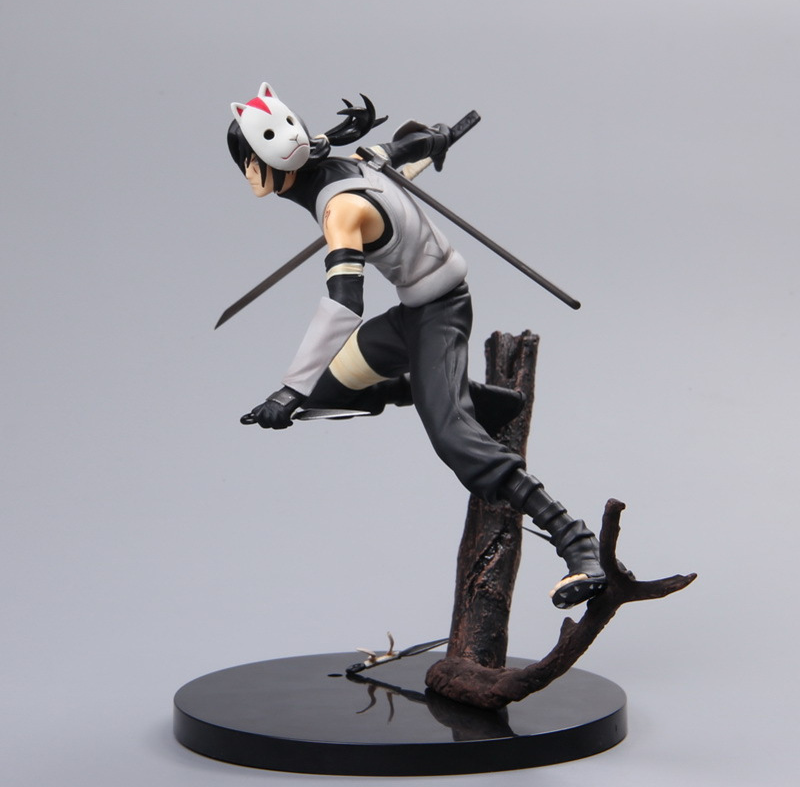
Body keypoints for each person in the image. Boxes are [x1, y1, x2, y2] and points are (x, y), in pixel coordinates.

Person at [227, 83, 606, 609]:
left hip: (439, 313)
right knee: (325, 394)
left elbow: (343, 304)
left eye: (247, 163)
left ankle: (577, 542)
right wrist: (439, 137)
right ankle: (480, 400)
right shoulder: (361, 159)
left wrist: (287, 389)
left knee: (453, 440)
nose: (248, 173)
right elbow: (409, 146)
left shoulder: (341, 212)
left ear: (258, 167)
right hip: (410, 317)